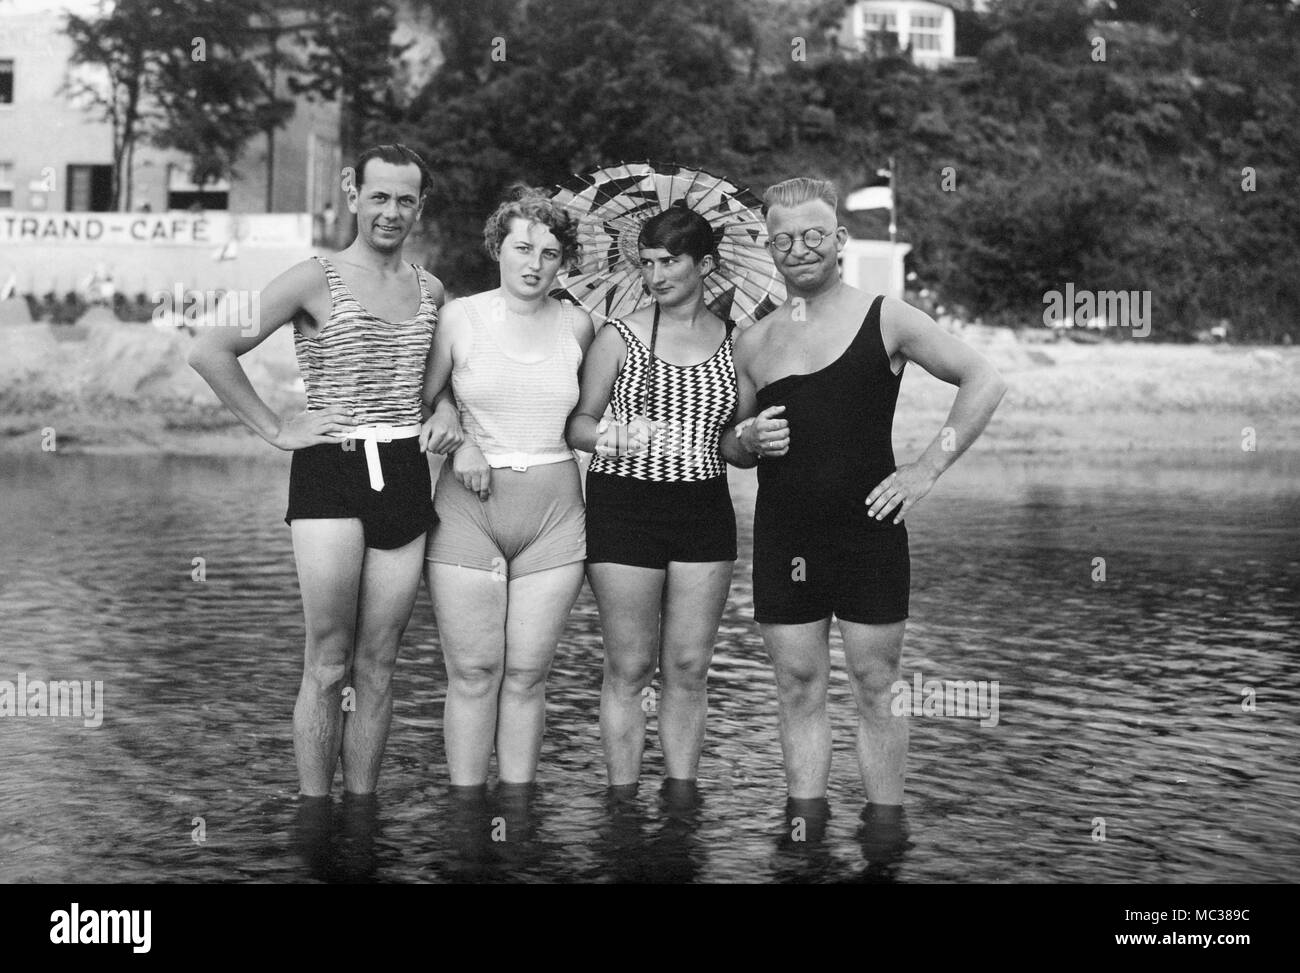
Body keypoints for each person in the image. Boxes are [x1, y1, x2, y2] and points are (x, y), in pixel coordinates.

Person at [726, 176, 1007, 831]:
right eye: (785, 238)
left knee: (877, 685)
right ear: (769, 246)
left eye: (814, 235)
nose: (800, 248)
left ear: (841, 239)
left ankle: (884, 835)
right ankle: (805, 837)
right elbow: (729, 448)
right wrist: (746, 437)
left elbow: (984, 379)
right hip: (784, 536)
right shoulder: (753, 340)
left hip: (870, 532)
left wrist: (925, 468)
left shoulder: (887, 316)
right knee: (798, 687)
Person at [188, 143, 462, 797]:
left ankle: (362, 816)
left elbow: (434, 383)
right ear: (351, 193)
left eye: (404, 199)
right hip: (328, 472)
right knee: (329, 657)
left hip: (402, 468)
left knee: (378, 663)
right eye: (379, 196)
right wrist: (277, 428)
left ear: (419, 206)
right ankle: (314, 817)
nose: (390, 211)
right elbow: (210, 346)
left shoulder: (432, 289)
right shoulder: (314, 277)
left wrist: (447, 408)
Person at [566, 203, 756, 798]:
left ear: (705, 263)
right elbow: (577, 425)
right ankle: (622, 800)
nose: (656, 275)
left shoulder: (737, 344)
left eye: (670, 261)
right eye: (646, 263)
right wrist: (611, 435)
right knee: (627, 668)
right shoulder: (617, 336)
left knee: (688, 668)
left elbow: (734, 445)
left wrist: (748, 441)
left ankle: (681, 798)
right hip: (624, 507)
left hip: (704, 510)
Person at [422, 186, 595, 789]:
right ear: (499, 248)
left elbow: (593, 413)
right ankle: (467, 816)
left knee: (526, 674)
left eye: (549, 253)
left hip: (554, 513)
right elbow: (428, 395)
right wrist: (460, 435)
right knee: (473, 672)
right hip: (469, 508)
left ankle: (517, 817)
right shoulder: (459, 317)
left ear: (563, 262)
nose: (534, 263)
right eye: (522, 247)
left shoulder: (581, 323)